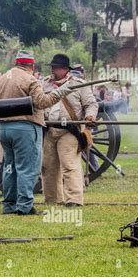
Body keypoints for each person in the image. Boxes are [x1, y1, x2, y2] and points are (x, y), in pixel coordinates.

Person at [0, 50, 74, 215]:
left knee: (9, 167)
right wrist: (62, 90)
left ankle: (9, 205)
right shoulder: (30, 79)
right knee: (27, 168)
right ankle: (25, 206)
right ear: (31, 64)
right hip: (25, 127)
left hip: (3, 128)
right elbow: (42, 102)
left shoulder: (2, 79)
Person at [42, 54, 98, 207]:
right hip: (49, 129)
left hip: (70, 130)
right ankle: (52, 199)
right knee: (48, 166)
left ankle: (74, 199)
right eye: (52, 67)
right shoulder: (45, 84)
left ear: (66, 69)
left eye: (56, 67)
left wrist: (90, 116)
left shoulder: (78, 84)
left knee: (70, 165)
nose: (53, 70)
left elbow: (91, 104)